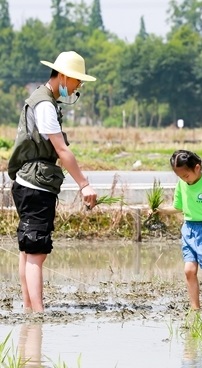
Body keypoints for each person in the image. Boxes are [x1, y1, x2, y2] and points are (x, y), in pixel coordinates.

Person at [8, 51, 97, 313]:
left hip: (28, 183)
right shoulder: (45, 105)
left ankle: (29, 308)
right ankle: (37, 312)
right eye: (77, 82)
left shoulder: (42, 99)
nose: (78, 87)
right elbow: (62, 150)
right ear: (64, 77)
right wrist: (84, 184)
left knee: (28, 250)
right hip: (35, 186)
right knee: (36, 252)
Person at [156, 150, 202, 310]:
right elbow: (178, 207)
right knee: (189, 270)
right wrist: (160, 210)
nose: (184, 180)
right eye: (180, 177)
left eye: (186, 176)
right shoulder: (182, 184)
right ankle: (195, 308)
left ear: (197, 168)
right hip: (189, 230)